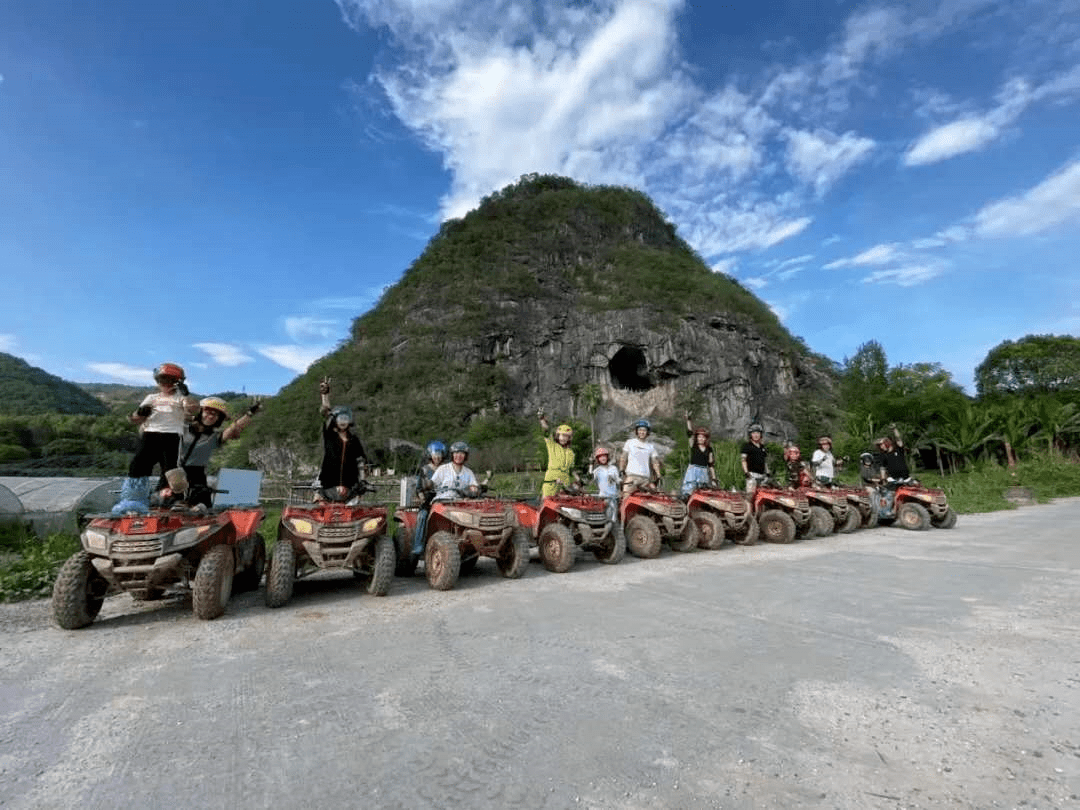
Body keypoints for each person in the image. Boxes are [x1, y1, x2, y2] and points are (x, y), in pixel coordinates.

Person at [112, 362, 198, 515]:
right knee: (138, 465)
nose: (165, 384)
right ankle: (134, 500)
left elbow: (193, 409)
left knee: (171, 469)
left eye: (171, 381)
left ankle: (176, 499)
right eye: (162, 380)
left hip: (171, 435)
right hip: (150, 433)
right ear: (157, 381)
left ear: (178, 382)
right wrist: (140, 412)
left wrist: (186, 395)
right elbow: (135, 419)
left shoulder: (180, 398)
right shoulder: (151, 397)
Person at [163, 397, 261, 509]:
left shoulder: (214, 437)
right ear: (201, 412)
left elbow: (234, 428)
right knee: (167, 501)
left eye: (214, 415)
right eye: (207, 412)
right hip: (173, 471)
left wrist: (249, 414)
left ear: (218, 419)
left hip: (197, 474)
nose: (210, 416)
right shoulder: (182, 428)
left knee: (203, 505)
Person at [316, 376, 369, 501]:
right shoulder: (330, 436)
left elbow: (360, 460)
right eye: (340, 418)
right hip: (328, 486)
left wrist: (363, 481)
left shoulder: (354, 440)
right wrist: (325, 395)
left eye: (346, 418)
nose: (343, 421)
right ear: (335, 420)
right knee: (319, 512)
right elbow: (326, 412)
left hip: (350, 487)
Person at [411, 440, 445, 556]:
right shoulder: (425, 470)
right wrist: (422, 498)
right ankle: (418, 545)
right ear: (430, 455)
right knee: (422, 516)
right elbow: (419, 488)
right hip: (429, 499)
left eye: (440, 455)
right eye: (435, 455)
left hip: (445, 498)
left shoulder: (446, 469)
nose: (437, 457)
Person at [538, 410, 578, 496]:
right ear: (558, 436)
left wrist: (578, 480)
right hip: (551, 482)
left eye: (566, 436)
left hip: (564, 484)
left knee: (564, 507)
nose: (563, 438)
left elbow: (571, 469)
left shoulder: (570, 452)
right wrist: (542, 420)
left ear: (569, 438)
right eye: (561, 435)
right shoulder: (552, 445)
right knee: (548, 506)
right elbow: (546, 432)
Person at [619, 418, 661, 495]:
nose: (642, 432)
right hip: (632, 477)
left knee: (654, 495)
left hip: (645, 479)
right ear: (637, 431)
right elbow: (623, 457)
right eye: (640, 430)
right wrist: (621, 469)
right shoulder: (630, 443)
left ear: (647, 432)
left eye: (644, 430)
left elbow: (655, 462)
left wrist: (658, 474)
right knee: (626, 496)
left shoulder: (650, 446)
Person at [680, 412, 717, 498]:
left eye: (703, 437)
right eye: (699, 437)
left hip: (703, 471)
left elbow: (711, 464)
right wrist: (688, 421)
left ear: (706, 438)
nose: (701, 439)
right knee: (688, 492)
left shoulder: (709, 449)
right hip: (693, 469)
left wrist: (714, 478)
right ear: (697, 438)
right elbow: (689, 433)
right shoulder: (694, 445)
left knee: (702, 492)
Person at [589, 446, 621, 520]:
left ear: (607, 457)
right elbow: (590, 476)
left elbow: (618, 480)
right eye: (600, 457)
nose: (603, 458)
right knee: (605, 518)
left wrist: (615, 479)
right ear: (598, 459)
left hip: (614, 497)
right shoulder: (597, 470)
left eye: (604, 456)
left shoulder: (614, 468)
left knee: (613, 519)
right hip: (603, 498)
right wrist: (591, 464)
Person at [740, 422, 769, 495]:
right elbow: (743, 460)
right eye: (754, 433)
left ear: (761, 434)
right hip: (752, 474)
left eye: (758, 433)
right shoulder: (747, 446)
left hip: (762, 475)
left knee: (762, 495)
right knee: (750, 496)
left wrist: (768, 472)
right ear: (750, 435)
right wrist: (746, 472)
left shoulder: (762, 447)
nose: (756, 435)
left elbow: (764, 461)